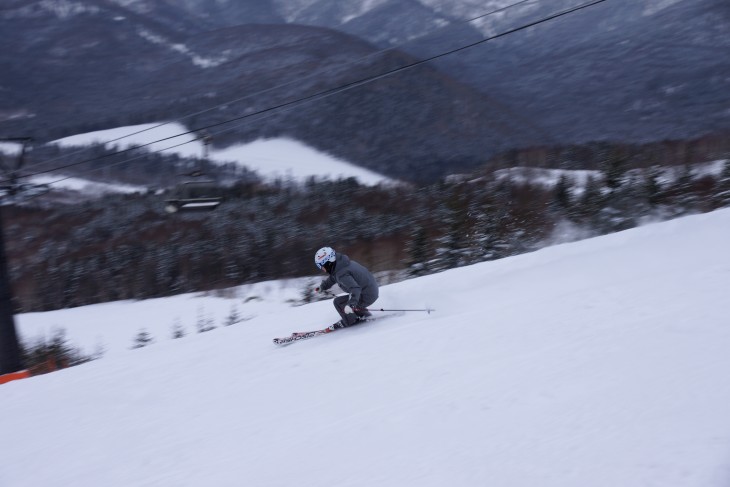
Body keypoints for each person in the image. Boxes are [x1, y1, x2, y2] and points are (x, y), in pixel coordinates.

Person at [314, 246, 379, 329]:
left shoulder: (342, 273)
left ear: (328, 263)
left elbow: (355, 289)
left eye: (322, 266)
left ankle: (350, 321)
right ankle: (364, 315)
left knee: (339, 302)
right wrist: (322, 287)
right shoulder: (341, 265)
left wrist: (351, 305)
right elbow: (333, 278)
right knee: (349, 301)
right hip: (370, 291)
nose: (322, 269)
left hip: (367, 295)